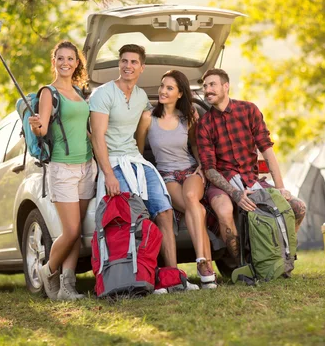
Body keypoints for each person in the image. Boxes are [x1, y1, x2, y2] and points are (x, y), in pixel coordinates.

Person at [89, 44, 198, 293]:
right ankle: (140, 276)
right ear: (119, 64)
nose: (128, 66)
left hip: (137, 161)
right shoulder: (103, 94)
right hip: (114, 162)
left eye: (134, 62)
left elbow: (160, 119)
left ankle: (171, 276)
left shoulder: (140, 97)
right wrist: (108, 174)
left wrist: (188, 115)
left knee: (165, 212)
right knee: (132, 217)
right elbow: (97, 137)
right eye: (124, 61)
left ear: (142, 67)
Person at [196, 68, 307, 259]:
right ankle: (243, 264)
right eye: (205, 86)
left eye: (212, 84)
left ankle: (283, 256)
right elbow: (210, 169)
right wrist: (236, 194)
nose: (207, 90)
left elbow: (267, 151)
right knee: (224, 211)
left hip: (252, 179)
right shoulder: (204, 124)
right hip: (223, 184)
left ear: (226, 86)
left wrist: (280, 188)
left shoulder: (249, 110)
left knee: (297, 207)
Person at [135, 70, 217, 289]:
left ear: (180, 93)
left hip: (190, 170)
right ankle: (206, 268)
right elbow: (139, 151)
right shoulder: (148, 117)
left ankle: (201, 262)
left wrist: (201, 164)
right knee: (197, 210)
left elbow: (195, 144)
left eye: (169, 88)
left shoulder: (189, 115)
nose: (163, 91)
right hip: (166, 174)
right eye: (162, 86)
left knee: (191, 197)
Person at [28, 41, 97, 301]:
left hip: (87, 166)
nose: (65, 62)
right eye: (60, 58)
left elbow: (86, 130)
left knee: (77, 233)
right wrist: (36, 126)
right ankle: (48, 270)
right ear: (54, 61)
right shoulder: (48, 92)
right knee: (70, 231)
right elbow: (43, 128)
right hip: (63, 168)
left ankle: (68, 287)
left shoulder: (80, 93)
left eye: (70, 58)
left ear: (77, 62)